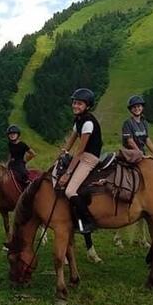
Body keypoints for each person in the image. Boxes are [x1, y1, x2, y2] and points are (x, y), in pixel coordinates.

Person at [57, 88, 103, 235]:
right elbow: (71, 140)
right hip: (83, 155)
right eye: (75, 103)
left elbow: (80, 151)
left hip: (89, 158)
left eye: (80, 104)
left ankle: (89, 221)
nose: (76, 106)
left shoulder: (88, 123)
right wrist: (63, 153)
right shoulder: (78, 120)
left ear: (87, 106)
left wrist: (68, 173)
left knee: (70, 190)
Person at [122, 94, 153, 161]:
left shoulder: (144, 122)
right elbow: (130, 142)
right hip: (131, 154)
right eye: (134, 107)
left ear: (142, 107)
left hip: (141, 153)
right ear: (131, 109)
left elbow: (147, 140)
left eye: (138, 106)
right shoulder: (127, 123)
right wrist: (141, 155)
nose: (137, 109)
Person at [6, 124, 36, 189]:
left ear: (18, 134)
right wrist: (7, 164)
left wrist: (25, 161)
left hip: (20, 164)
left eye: (14, 133)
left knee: (23, 175)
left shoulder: (22, 145)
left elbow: (33, 154)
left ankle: (28, 188)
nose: (12, 135)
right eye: (10, 134)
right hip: (11, 164)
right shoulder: (9, 144)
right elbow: (10, 155)